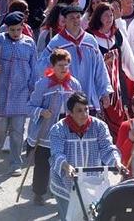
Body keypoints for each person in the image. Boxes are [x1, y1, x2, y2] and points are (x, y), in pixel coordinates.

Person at [49, 92, 125, 221]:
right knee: (69, 217)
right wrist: (66, 167)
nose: (84, 114)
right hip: (65, 183)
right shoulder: (58, 129)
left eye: (86, 110)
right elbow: (57, 154)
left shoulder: (99, 126)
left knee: (91, 216)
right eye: (79, 111)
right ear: (70, 113)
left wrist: (117, 162)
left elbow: (107, 148)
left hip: (91, 183)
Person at [0, 11, 38, 176]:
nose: (15, 33)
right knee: (0, 128)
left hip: (21, 94)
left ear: (22, 28)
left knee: (18, 130)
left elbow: (34, 69)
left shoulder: (29, 44)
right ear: (7, 29)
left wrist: (33, 88)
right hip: (1, 91)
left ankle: (15, 162)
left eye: (18, 30)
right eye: (12, 30)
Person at [26, 48, 82, 205]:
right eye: (60, 65)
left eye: (66, 65)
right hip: (46, 130)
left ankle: (62, 192)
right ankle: (39, 192)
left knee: (65, 163)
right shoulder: (43, 84)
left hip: (67, 130)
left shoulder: (74, 84)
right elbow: (29, 107)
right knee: (43, 163)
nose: (64, 69)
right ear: (53, 66)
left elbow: (80, 106)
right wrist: (42, 111)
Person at [38, 5, 112, 116]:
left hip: (88, 96)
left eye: (78, 17)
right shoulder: (57, 42)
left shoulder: (90, 41)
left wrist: (105, 92)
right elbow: (41, 67)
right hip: (66, 97)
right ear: (65, 20)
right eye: (72, 17)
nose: (76, 20)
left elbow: (100, 68)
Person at [87, 3, 134, 136]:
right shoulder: (90, 36)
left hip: (118, 81)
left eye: (111, 15)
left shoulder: (117, 34)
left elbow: (128, 55)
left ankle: (119, 141)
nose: (109, 18)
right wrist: (104, 61)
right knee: (102, 113)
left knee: (121, 110)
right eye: (105, 15)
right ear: (98, 17)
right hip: (99, 83)